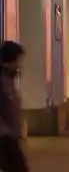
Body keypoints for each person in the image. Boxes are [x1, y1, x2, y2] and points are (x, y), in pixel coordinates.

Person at [0, 42, 27, 172]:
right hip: (4, 136)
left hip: (9, 134)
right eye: (17, 60)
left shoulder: (8, 78)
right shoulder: (3, 79)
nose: (19, 65)